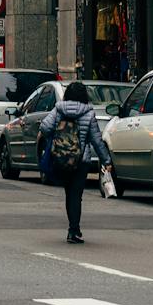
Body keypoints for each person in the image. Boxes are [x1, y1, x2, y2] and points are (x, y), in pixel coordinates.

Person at [38, 80, 113, 245]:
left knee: (68, 193)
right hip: (81, 160)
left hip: (61, 157)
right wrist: (106, 160)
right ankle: (74, 230)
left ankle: (72, 229)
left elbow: (44, 128)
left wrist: (56, 135)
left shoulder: (59, 109)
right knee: (76, 195)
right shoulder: (88, 113)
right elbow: (96, 140)